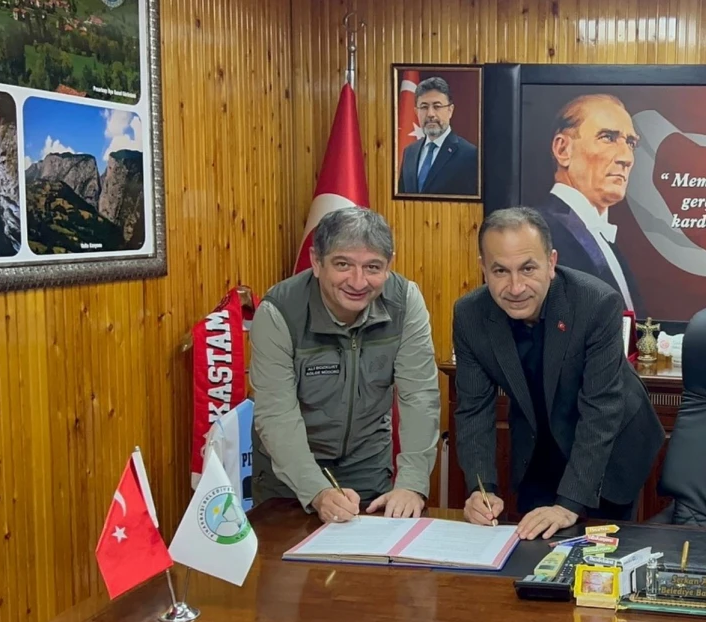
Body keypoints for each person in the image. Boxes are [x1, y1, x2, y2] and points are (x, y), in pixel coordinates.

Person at [452, 207, 664, 540]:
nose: (515, 287)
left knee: (597, 549)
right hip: (540, 443)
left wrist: (569, 504)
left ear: (551, 263)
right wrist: (481, 488)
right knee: (533, 544)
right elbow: (473, 410)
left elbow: (601, 409)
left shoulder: (595, 304)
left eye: (528, 268)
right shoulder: (470, 315)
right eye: (500, 271)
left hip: (609, 446)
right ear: (483, 269)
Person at [249, 207, 440, 523]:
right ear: (316, 261)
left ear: (388, 265)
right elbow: (277, 415)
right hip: (287, 475)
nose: (358, 281)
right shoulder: (278, 312)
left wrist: (412, 484)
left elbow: (419, 396)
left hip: (367, 466)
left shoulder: (405, 302)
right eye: (343, 264)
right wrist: (316, 491)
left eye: (372, 267)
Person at [537, 93, 645, 314]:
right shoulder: (538, 231)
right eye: (608, 137)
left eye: (631, 143)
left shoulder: (604, 238)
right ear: (562, 150)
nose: (626, 158)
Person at [397, 77, 479, 197]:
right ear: (416, 112)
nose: (430, 114)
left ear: (450, 110)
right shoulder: (410, 152)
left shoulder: (470, 154)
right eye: (424, 107)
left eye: (437, 106)